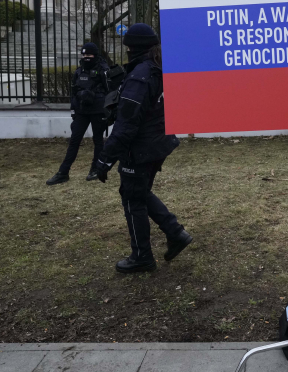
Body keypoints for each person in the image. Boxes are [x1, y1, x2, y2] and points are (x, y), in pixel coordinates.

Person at [93, 23, 192, 273]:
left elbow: (127, 124)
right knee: (138, 192)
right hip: (158, 142)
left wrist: (105, 159)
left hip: (141, 148)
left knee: (132, 198)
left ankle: (142, 256)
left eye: (127, 47)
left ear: (133, 47)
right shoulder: (159, 68)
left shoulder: (141, 75)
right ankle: (175, 233)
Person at [46, 43, 111, 185]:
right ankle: (63, 172)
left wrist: (107, 110)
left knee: (98, 140)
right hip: (82, 111)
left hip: (98, 111)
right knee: (74, 141)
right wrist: (73, 111)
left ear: (95, 55)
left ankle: (96, 169)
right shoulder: (79, 71)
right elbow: (74, 92)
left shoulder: (103, 70)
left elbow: (110, 91)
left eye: (89, 55)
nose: (86, 57)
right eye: (84, 55)